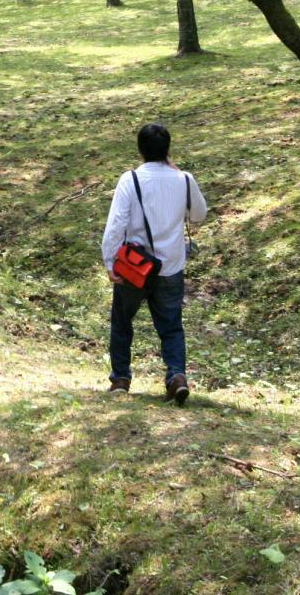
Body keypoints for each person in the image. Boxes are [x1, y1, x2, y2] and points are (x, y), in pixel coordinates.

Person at [99, 123, 208, 404]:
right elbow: (199, 214)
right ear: (168, 149)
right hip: (170, 265)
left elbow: (116, 226)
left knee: (122, 321)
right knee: (171, 325)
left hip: (135, 267)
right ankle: (176, 376)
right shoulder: (184, 179)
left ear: (140, 149)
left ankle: (121, 378)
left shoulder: (130, 179)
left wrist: (110, 262)